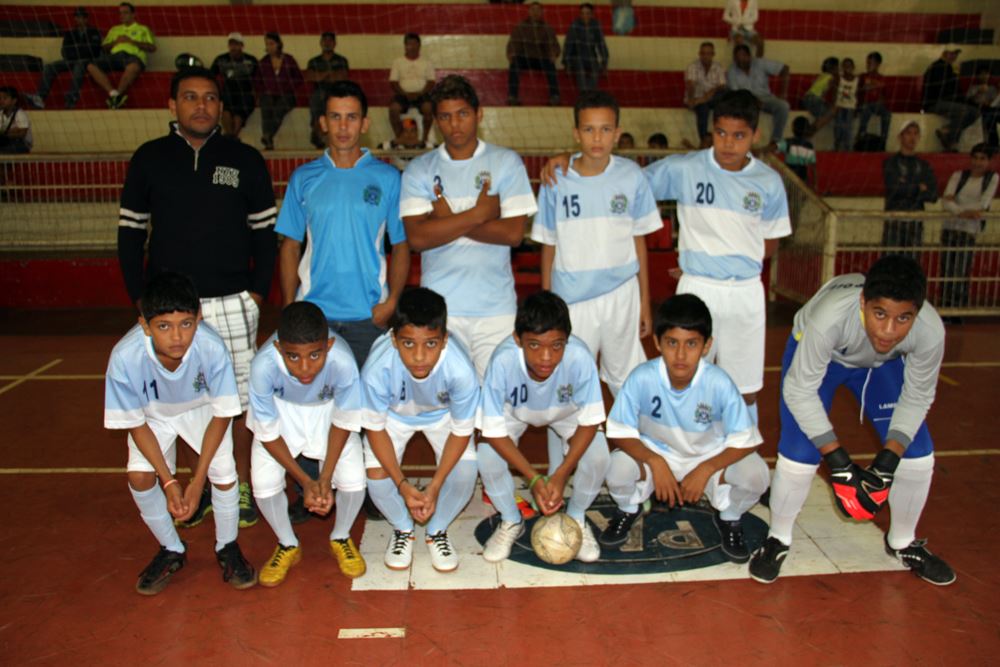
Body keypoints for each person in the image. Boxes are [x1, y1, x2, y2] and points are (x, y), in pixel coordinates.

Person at [117, 66, 278, 531]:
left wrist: (256, 293)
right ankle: (201, 484)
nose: (201, 105)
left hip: (232, 300)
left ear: (221, 108)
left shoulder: (245, 159)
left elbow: (265, 234)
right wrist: (138, 298)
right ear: (173, 105)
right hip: (170, 309)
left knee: (238, 401)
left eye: (210, 98)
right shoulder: (149, 158)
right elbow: (130, 234)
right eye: (190, 97)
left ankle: (240, 485)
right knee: (183, 400)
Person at [749, 256, 956, 586]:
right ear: (863, 302)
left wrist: (887, 462)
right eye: (879, 314)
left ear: (918, 312)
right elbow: (800, 391)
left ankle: (902, 542)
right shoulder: (829, 317)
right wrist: (839, 463)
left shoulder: (930, 331)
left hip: (879, 365)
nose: (889, 330)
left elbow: (917, 397)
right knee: (799, 453)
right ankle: (778, 538)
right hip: (822, 360)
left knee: (917, 455)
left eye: (903, 318)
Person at [643, 89, 790, 424]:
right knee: (687, 381)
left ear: (755, 135)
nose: (728, 143)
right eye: (721, 133)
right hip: (698, 290)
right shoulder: (685, 169)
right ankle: (688, 456)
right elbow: (628, 182)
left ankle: (739, 460)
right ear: (712, 131)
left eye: (739, 136)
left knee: (745, 389)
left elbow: (770, 243)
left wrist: (731, 262)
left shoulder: (769, 182)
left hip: (745, 293)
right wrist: (574, 162)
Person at [104, 272, 257, 595]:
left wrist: (197, 481)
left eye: (186, 324)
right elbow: (135, 423)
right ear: (145, 325)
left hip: (200, 410)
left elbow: (222, 415)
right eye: (163, 326)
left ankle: (227, 547)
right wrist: (170, 482)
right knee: (139, 477)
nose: (177, 337)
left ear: (199, 318)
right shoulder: (124, 357)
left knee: (225, 476)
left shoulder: (212, 348)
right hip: (152, 415)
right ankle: (171, 548)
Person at [603, 294, 768, 562]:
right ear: (657, 342)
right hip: (657, 453)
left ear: (706, 346)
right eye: (672, 343)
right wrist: (656, 462)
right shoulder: (642, 377)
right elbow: (620, 432)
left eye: (691, 344)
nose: (680, 355)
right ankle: (628, 508)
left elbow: (747, 440)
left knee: (756, 475)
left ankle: (730, 517)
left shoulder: (718, 382)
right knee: (614, 467)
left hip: (707, 456)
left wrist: (706, 468)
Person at [400, 75, 537, 377]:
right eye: (446, 117)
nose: (455, 124)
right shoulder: (419, 169)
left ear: (479, 113)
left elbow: (513, 234)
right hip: (441, 309)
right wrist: (479, 214)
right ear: (436, 121)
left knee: (495, 403)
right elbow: (418, 238)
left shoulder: (506, 162)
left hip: (496, 308)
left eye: (463, 113)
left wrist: (445, 220)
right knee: (450, 402)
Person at [532, 90, 661, 397]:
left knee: (627, 380)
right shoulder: (556, 180)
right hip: (572, 299)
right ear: (576, 133)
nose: (597, 138)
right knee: (569, 382)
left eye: (605, 129)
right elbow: (548, 246)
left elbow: (638, 241)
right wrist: (549, 303)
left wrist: (645, 301)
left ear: (617, 133)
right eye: (589, 129)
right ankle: (570, 447)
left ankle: (630, 445)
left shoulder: (632, 176)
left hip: (622, 293)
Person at [278, 80, 409, 367]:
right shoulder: (304, 178)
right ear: (323, 122)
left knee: (366, 408)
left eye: (351, 117)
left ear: (364, 123)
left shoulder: (388, 178)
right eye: (335, 117)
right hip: (315, 316)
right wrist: (290, 305)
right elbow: (290, 245)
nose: (343, 126)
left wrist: (391, 303)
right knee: (318, 403)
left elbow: (401, 246)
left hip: (369, 317)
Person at [478, 291, 610, 563]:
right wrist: (535, 479)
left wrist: (560, 474)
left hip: (565, 412)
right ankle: (511, 520)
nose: (546, 357)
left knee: (598, 456)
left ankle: (576, 516)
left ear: (567, 340)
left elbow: (590, 420)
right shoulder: (502, 361)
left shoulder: (580, 358)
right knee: (487, 457)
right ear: (518, 339)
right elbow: (492, 432)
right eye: (535, 345)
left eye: (557, 345)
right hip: (514, 412)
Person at [248, 302, 367, 586]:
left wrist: (324, 478)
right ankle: (287, 543)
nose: (305, 367)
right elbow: (266, 433)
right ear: (278, 348)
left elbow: (343, 421)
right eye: (292, 356)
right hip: (281, 415)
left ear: (329, 345)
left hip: (327, 413)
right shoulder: (263, 366)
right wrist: (305, 479)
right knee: (263, 484)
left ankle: (341, 536)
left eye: (315, 354)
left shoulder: (343, 362)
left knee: (354, 480)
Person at [361, 288, 480, 572]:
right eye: (408, 344)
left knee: (465, 472)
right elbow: (376, 431)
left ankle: (436, 530)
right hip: (394, 415)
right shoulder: (376, 370)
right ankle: (403, 529)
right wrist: (403, 486)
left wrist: (435, 486)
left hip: (442, 415)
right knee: (375, 475)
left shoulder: (461, 370)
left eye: (430, 344)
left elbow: (462, 432)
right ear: (393, 339)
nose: (419, 357)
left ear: (444, 339)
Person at [939, 144, 997, 313]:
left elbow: (983, 203)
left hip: (969, 231)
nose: (978, 162)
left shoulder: (991, 178)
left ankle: (958, 308)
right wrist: (965, 212)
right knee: (947, 270)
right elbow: (946, 201)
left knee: (961, 270)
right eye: (976, 157)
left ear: (988, 161)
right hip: (950, 228)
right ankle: (945, 306)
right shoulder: (958, 175)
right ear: (970, 159)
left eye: (983, 158)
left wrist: (957, 208)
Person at [26, 7, 102, 110]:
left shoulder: (94, 32)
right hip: (71, 60)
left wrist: (77, 52)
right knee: (50, 67)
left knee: (79, 65)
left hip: (87, 61)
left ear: (86, 19)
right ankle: (40, 97)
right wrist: (80, 51)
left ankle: (71, 98)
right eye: (77, 17)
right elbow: (65, 51)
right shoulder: (70, 33)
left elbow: (94, 50)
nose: (79, 19)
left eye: (81, 17)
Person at [86, 2, 155, 110]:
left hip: (132, 56)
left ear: (133, 14)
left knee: (133, 67)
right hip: (115, 56)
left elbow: (152, 48)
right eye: (120, 13)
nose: (122, 15)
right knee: (91, 66)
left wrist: (132, 41)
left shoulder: (143, 29)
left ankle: (118, 93)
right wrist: (115, 42)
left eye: (125, 13)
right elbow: (104, 48)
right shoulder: (114, 29)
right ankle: (114, 94)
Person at [882, 120, 937, 256]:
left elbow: (933, 195)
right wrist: (919, 188)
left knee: (911, 264)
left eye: (916, 133)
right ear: (900, 136)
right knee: (890, 262)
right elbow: (894, 189)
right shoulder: (891, 163)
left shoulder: (924, 165)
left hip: (915, 223)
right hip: (894, 221)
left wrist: (907, 186)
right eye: (908, 133)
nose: (912, 137)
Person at [726, 44, 789, 145]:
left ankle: (776, 140)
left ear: (749, 56)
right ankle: (744, 140)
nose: (741, 59)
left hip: (766, 98)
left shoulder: (760, 63)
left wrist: (783, 93)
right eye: (737, 57)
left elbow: (785, 69)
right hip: (745, 100)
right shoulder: (732, 70)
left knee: (783, 106)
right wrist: (753, 100)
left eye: (743, 56)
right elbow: (736, 93)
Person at [922, 46, 978, 152]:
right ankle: (952, 142)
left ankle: (947, 130)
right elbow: (944, 91)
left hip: (948, 102)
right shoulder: (938, 67)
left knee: (975, 112)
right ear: (944, 53)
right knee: (963, 111)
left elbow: (955, 91)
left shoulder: (949, 68)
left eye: (956, 54)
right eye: (952, 53)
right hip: (934, 103)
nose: (954, 56)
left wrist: (970, 101)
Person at [253, 32, 303, 150]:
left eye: (272, 43)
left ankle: (268, 135)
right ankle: (268, 138)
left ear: (279, 44)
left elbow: (298, 78)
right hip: (268, 95)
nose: (269, 47)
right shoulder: (263, 62)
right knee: (266, 107)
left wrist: (287, 88)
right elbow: (257, 81)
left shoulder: (289, 60)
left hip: (286, 95)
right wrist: (264, 91)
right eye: (267, 44)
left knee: (280, 109)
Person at [506, 2, 561, 106]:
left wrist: (553, 54)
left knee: (551, 66)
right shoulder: (521, 26)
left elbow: (553, 44)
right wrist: (511, 53)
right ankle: (512, 96)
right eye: (533, 10)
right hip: (524, 58)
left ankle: (555, 96)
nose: (535, 12)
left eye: (538, 10)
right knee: (514, 65)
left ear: (541, 12)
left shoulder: (547, 28)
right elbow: (514, 42)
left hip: (541, 58)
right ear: (529, 12)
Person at [389, 33, 435, 146]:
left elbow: (431, 81)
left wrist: (420, 93)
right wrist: (404, 93)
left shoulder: (426, 62)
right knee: (394, 109)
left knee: (428, 108)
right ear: (405, 46)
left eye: (415, 44)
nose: (412, 46)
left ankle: (424, 139)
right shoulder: (397, 62)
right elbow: (393, 82)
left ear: (419, 45)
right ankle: (400, 138)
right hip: (403, 94)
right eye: (409, 44)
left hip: (422, 94)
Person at [306, 32, 350, 149]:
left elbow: (342, 77)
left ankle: (325, 137)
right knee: (319, 104)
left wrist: (321, 75)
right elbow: (311, 77)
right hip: (319, 92)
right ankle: (317, 135)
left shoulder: (341, 60)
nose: (327, 43)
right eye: (325, 40)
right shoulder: (314, 61)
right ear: (320, 43)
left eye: (330, 40)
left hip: (337, 92)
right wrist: (329, 73)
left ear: (334, 43)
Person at [210, 32, 258, 139]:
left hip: (245, 91)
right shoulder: (221, 59)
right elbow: (211, 75)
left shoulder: (251, 60)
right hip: (228, 91)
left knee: (239, 112)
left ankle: (232, 137)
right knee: (225, 110)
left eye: (236, 44)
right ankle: (231, 137)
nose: (234, 47)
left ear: (242, 45)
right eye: (231, 44)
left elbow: (259, 79)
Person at [684, 42, 727, 148]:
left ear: (713, 54)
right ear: (699, 54)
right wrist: (691, 100)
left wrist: (708, 95)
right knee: (703, 109)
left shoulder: (718, 67)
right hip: (697, 98)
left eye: (708, 53)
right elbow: (690, 85)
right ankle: (704, 141)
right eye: (703, 53)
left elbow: (721, 86)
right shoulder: (693, 67)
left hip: (713, 98)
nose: (706, 56)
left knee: (724, 94)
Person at [562, 3, 609, 96]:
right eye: (583, 13)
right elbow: (568, 44)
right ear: (580, 15)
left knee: (596, 66)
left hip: (591, 56)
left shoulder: (596, 25)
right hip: (576, 56)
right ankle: (584, 93)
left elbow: (601, 44)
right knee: (580, 66)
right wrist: (566, 62)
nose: (585, 16)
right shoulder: (575, 25)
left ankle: (591, 92)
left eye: (587, 13)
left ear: (592, 14)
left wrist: (604, 62)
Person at [856, 51, 891, 148]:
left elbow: (885, 95)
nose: (868, 65)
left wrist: (882, 101)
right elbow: (856, 91)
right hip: (865, 104)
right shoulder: (862, 76)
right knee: (866, 108)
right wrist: (865, 88)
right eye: (867, 63)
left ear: (878, 64)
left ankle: (883, 139)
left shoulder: (882, 78)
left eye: (870, 63)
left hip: (877, 105)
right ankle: (861, 134)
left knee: (887, 114)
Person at [800, 57, 838, 135]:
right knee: (830, 114)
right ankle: (809, 132)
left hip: (807, 98)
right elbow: (825, 92)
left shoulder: (822, 75)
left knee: (822, 117)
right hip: (814, 99)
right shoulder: (832, 78)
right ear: (835, 67)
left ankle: (809, 130)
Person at [776, 116, 817, 188]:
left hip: (789, 177)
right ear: (807, 130)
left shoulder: (788, 142)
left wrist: (761, 150)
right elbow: (813, 167)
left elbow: (774, 147)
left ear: (793, 128)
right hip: (802, 179)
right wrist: (815, 184)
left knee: (789, 195)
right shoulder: (809, 146)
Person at [967, 68, 1000, 150]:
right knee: (991, 117)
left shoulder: (992, 88)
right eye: (982, 74)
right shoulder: (973, 87)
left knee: (993, 114)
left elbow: (995, 101)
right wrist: (978, 92)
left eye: (986, 74)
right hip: (979, 109)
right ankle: (993, 145)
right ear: (977, 76)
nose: (984, 76)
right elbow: (967, 100)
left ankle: (993, 144)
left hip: (992, 109)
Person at [833, 58, 859, 151]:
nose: (847, 68)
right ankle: (837, 147)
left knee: (848, 129)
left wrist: (857, 108)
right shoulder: (838, 78)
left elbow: (858, 94)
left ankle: (848, 149)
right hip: (839, 106)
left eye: (849, 65)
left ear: (853, 67)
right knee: (838, 128)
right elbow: (834, 92)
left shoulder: (857, 80)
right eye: (845, 65)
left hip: (850, 107)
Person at [0, 87, 32, 154]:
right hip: (6, 141)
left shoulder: (20, 113)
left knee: (3, 151)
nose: (1, 101)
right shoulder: (1, 114)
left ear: (14, 101)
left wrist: (5, 134)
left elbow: (22, 134)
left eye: (5, 98)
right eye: (0, 98)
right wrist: (12, 131)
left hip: (22, 144)